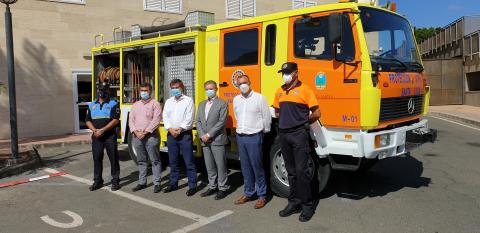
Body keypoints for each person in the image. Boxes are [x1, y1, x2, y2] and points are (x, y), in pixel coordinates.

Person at [273, 62, 321, 222]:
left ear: (296, 73)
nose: (284, 75)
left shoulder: (305, 89)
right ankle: (293, 202)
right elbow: (277, 111)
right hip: (284, 135)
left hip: (299, 134)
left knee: (301, 172)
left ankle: (307, 206)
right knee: (291, 172)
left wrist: (303, 121)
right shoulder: (279, 91)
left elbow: (317, 112)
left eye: (287, 72)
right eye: (283, 72)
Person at [232, 75, 271, 209]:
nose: (242, 85)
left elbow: (266, 118)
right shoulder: (236, 99)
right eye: (239, 84)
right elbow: (237, 115)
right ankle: (248, 192)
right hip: (241, 137)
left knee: (257, 167)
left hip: (254, 136)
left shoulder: (259, 98)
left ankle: (262, 195)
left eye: (244, 82)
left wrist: (262, 132)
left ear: (250, 82)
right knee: (245, 167)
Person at [162, 79, 197, 196]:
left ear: (182, 87)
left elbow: (189, 118)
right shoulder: (168, 101)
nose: (175, 90)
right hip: (171, 134)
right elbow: (165, 116)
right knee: (173, 161)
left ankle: (192, 185)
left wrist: (180, 129)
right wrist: (170, 129)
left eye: (177, 87)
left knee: (189, 161)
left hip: (184, 135)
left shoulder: (188, 100)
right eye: (173, 88)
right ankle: (173, 184)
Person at [196, 80, 229, 200]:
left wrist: (209, 134)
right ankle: (212, 186)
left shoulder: (222, 103)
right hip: (204, 140)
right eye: (207, 89)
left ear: (216, 89)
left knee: (221, 165)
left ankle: (222, 188)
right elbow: (198, 120)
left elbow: (222, 121)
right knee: (209, 165)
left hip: (217, 139)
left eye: (211, 88)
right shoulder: (201, 104)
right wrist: (202, 135)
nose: (209, 91)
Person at [86, 82, 121, 191]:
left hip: (109, 136)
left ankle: (115, 180)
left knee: (113, 158)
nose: (103, 92)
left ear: (108, 91)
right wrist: (95, 130)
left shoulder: (113, 103)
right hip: (97, 136)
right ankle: (98, 181)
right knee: (97, 158)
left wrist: (103, 130)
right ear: (98, 91)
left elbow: (115, 120)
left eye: (105, 90)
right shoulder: (92, 105)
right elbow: (87, 120)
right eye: (101, 90)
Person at [128, 83, 163, 193]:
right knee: (141, 161)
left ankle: (157, 183)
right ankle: (142, 182)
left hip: (151, 137)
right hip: (137, 136)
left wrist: (146, 132)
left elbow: (156, 120)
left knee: (155, 160)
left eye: (145, 90)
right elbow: (131, 120)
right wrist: (135, 131)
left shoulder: (155, 104)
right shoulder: (135, 105)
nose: (143, 92)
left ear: (150, 91)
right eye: (142, 90)